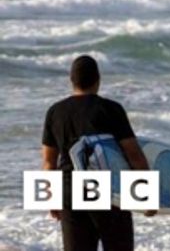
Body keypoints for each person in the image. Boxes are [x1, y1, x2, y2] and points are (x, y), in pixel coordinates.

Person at [41, 55, 153, 251]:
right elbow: (134, 155)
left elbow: (49, 162)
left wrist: (52, 196)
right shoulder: (110, 109)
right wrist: (147, 196)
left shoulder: (55, 112)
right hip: (109, 192)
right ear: (98, 79)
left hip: (70, 192)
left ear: (71, 80)